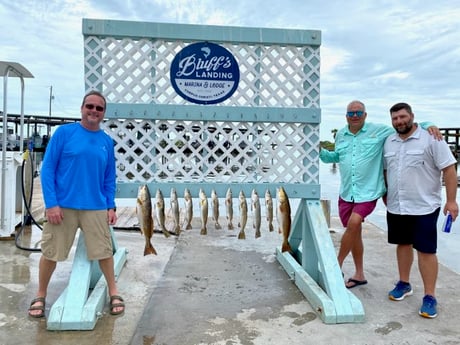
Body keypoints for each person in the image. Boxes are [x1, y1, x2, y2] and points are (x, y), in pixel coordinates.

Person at [320, 100, 440, 288]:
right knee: (354, 231)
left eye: (359, 113)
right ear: (346, 116)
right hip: (346, 192)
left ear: (365, 115)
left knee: (353, 223)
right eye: (351, 113)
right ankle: (359, 274)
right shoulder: (341, 134)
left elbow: (405, 127)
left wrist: (428, 125)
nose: (355, 116)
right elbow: (336, 156)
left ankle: (336, 265)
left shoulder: (379, 130)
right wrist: (317, 151)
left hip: (369, 191)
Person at [28, 90, 124, 318]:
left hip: (96, 207)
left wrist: (110, 205)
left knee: (104, 252)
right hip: (63, 207)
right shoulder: (64, 133)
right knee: (51, 252)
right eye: (89, 106)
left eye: (99, 108)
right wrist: (51, 204)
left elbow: (109, 178)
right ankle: (40, 294)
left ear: (104, 114)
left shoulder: (106, 142)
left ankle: (114, 291)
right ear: (82, 108)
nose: (94, 111)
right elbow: (48, 169)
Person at [383, 102, 458, 318]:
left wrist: (451, 201)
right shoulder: (389, 141)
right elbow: (386, 171)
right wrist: (386, 194)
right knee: (402, 245)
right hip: (397, 206)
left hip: (424, 206)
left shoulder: (431, 138)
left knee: (426, 250)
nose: (400, 121)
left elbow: (449, 169)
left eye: (403, 117)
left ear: (412, 116)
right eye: (395, 118)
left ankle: (430, 296)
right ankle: (404, 283)